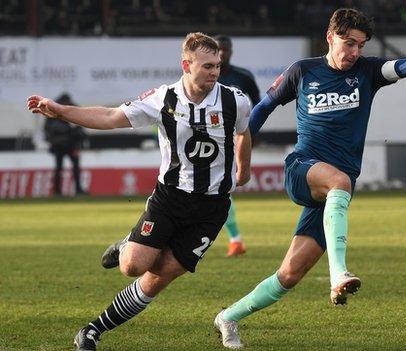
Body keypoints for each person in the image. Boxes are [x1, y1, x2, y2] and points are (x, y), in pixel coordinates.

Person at [212, 8, 406, 349]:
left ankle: (228, 317)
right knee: (340, 182)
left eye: (360, 45)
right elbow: (263, 108)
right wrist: (239, 152)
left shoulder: (369, 72)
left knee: (289, 275)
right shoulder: (303, 71)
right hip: (303, 168)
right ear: (330, 37)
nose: (354, 52)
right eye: (348, 43)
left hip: (331, 193)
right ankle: (338, 273)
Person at [27, 32, 252, 351]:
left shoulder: (235, 100)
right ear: (186, 65)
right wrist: (61, 111)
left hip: (212, 208)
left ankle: (92, 331)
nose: (215, 72)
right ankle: (126, 246)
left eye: (217, 65)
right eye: (207, 66)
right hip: (170, 199)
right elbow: (110, 117)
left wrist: (243, 169)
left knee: (160, 275)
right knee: (132, 266)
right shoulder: (163, 99)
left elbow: (244, 133)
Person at [216, 34, 261, 257]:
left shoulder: (242, 77)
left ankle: (235, 240)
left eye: (226, 50)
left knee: (221, 189)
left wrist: (252, 131)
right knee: (217, 189)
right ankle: (234, 239)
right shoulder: (203, 76)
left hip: (234, 138)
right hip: (209, 140)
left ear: (231, 51)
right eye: (219, 49)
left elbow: (260, 103)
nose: (222, 54)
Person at [43, 93, 87, 196]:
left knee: (62, 168)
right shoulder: (58, 110)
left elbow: (47, 130)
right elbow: (79, 128)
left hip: (67, 144)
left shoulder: (53, 109)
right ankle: (72, 190)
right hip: (63, 144)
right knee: (63, 168)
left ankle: (61, 191)